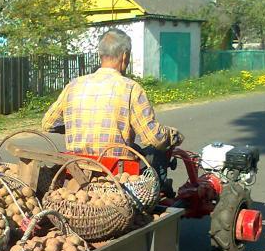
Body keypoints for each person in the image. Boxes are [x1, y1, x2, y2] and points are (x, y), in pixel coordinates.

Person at [41, 29, 183, 189]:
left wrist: (81, 126)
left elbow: (48, 124)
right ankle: (158, 194)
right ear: (124, 56)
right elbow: (154, 138)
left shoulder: (73, 85)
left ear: (101, 55)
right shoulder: (131, 89)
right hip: (117, 173)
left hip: (78, 166)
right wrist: (173, 136)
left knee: (136, 148)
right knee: (157, 151)